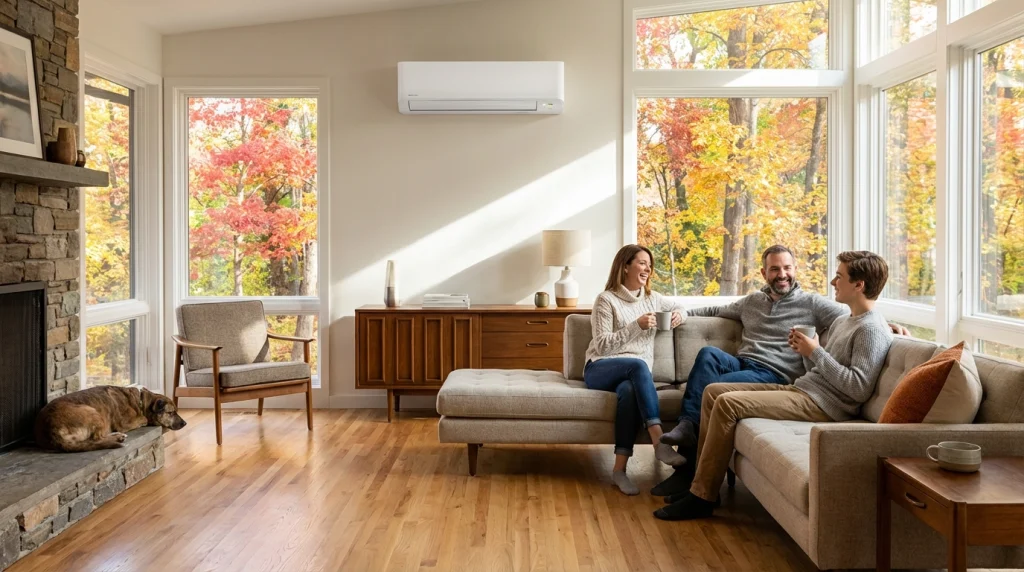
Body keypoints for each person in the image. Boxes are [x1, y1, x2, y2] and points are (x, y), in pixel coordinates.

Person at [654, 251, 894, 520]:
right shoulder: (847, 319)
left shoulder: (870, 328)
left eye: (839, 276)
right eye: (774, 269)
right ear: (764, 273)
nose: (832, 282)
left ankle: (702, 497)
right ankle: (697, 482)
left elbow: (857, 388)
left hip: (824, 404)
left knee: (726, 400)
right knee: (712, 392)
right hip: (806, 389)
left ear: (859, 285)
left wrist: (814, 352)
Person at [585, 244, 687, 495]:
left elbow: (682, 307)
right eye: (642, 262)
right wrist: (635, 326)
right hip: (600, 368)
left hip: (634, 374)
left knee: (630, 392)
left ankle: (619, 470)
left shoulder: (653, 298)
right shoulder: (606, 299)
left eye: (649, 264)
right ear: (625, 266)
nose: (647, 268)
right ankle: (659, 441)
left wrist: (677, 316)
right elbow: (602, 345)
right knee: (639, 366)